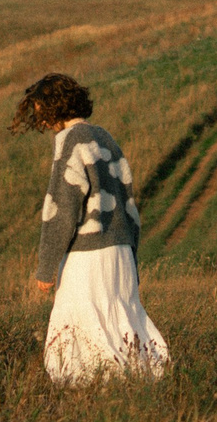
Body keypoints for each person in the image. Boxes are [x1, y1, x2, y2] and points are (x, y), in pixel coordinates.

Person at [16, 72, 169, 384]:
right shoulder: (105, 138)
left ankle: (89, 396)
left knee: (79, 325)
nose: (40, 120)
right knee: (122, 322)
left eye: (40, 110)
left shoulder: (70, 141)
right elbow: (129, 206)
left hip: (89, 256)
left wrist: (46, 268)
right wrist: (132, 256)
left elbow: (61, 209)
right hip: (121, 253)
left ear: (53, 107)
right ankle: (139, 386)